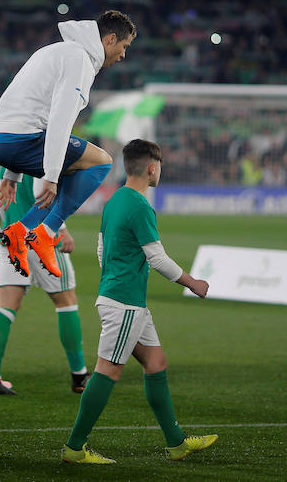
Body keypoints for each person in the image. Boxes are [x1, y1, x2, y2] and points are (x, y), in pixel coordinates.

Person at [61, 139, 216, 465]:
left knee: (156, 363)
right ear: (152, 168)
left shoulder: (115, 200)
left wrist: (115, 275)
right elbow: (156, 257)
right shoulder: (140, 206)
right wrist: (194, 283)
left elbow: (102, 249)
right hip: (125, 303)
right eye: (160, 165)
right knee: (107, 372)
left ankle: (176, 443)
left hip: (123, 300)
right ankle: (74, 448)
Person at [0, 10, 135, 279]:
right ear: (111, 39)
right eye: (124, 47)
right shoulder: (79, 61)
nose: (123, 55)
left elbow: (25, 105)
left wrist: (10, 172)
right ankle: (45, 233)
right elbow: (59, 120)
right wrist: (51, 177)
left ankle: (22, 230)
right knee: (101, 162)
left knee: (77, 164)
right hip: (19, 139)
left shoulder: (55, 51)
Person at [0, 173, 90, 396]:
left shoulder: (6, 158)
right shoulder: (42, 154)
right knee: (66, 302)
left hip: (12, 234)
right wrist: (62, 229)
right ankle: (79, 376)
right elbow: (44, 193)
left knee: (6, 306)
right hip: (41, 236)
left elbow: (0, 198)